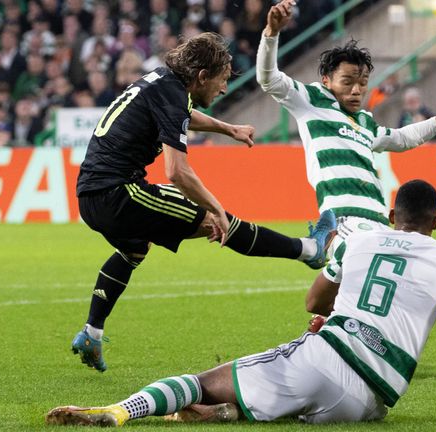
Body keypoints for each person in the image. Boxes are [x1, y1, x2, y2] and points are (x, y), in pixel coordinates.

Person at [45, 179, 436, 426]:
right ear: (435, 223)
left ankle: (117, 412)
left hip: (326, 360)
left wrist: (338, 307)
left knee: (203, 381)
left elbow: (314, 301)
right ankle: (226, 413)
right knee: (281, 394)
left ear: (391, 216)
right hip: (372, 402)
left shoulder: (360, 244)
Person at [71, 31, 336, 373]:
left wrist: (229, 129)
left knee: (134, 250)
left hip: (90, 197)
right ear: (201, 76)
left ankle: (91, 333)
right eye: (222, 81)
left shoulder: (162, 83)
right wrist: (213, 206)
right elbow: (177, 172)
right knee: (218, 220)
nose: (224, 89)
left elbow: (183, 116)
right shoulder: (171, 92)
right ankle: (310, 250)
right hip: (119, 193)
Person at [255, 0, 436, 303]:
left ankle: (326, 320)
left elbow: (402, 139)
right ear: (327, 80)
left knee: (387, 296)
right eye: (347, 82)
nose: (356, 90)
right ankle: (320, 258)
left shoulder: (365, 122)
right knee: (364, 289)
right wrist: (271, 33)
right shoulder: (310, 101)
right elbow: (268, 78)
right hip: (345, 222)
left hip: (378, 221)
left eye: (362, 83)